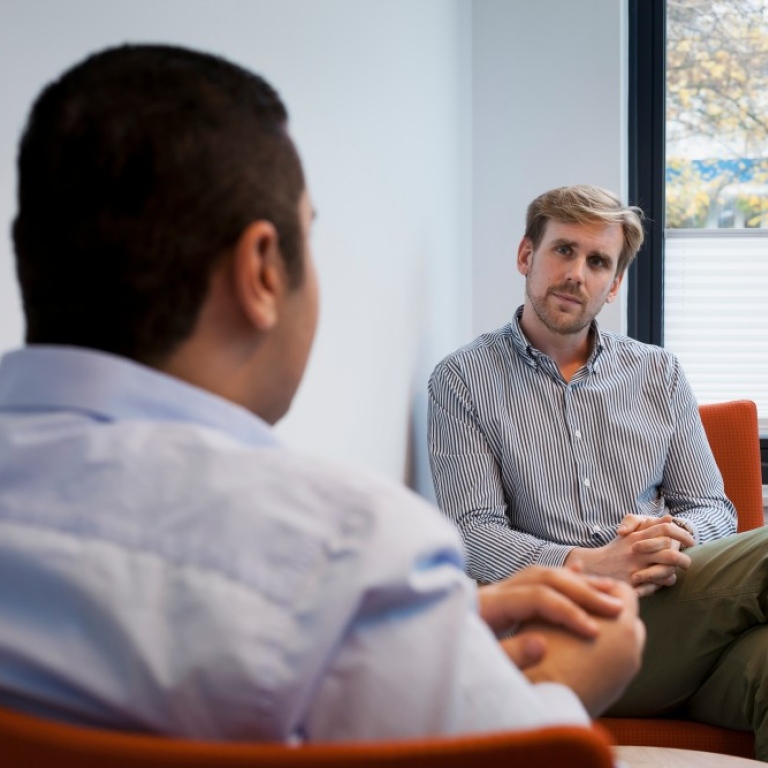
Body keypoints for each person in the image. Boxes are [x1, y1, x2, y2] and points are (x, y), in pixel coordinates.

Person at [0, 46, 644, 744]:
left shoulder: (350, 587)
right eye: (307, 237)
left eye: (599, 260)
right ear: (262, 273)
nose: (579, 274)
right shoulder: (349, 554)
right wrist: (572, 683)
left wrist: (437, 626)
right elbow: (499, 758)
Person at [428, 183, 768, 759]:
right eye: (563, 250)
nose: (575, 274)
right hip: (566, 640)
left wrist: (666, 539)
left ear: (613, 285)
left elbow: (714, 508)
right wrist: (587, 564)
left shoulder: (658, 373)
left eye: (597, 262)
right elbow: (472, 531)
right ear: (526, 256)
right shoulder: (461, 379)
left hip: (676, 610)